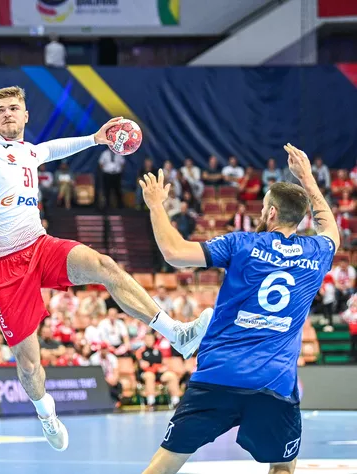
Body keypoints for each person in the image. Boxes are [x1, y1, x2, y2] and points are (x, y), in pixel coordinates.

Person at [0, 86, 211, 451]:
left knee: (106, 265)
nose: (7, 114)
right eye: (0, 110)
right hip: (1, 267)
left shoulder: (29, 151)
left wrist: (95, 139)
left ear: (26, 115)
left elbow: (55, 148)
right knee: (29, 366)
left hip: (39, 245)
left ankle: (176, 333)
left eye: (14, 108)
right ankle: (46, 412)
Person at [138, 143, 339, 474]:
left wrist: (157, 206)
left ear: (271, 212)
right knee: (282, 468)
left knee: (162, 468)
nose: (261, 214)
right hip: (274, 383)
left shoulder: (242, 243)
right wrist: (307, 178)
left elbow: (174, 253)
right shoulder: (317, 252)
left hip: (218, 376)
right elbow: (329, 226)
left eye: (263, 208)